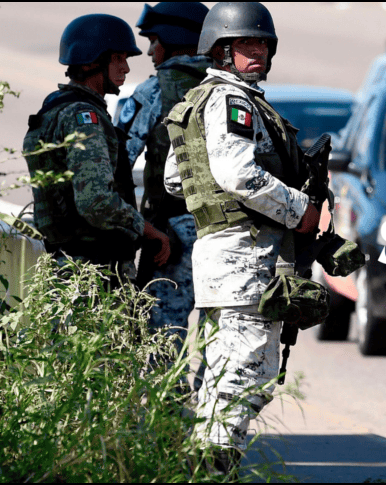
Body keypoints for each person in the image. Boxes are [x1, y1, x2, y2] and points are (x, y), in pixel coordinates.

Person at [163, 2, 320, 471]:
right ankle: (213, 470)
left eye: (261, 44)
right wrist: (300, 211)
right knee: (247, 375)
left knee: (220, 377)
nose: (256, 52)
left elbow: (178, 179)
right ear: (220, 51)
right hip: (246, 259)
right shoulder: (234, 102)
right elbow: (236, 174)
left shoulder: (197, 101)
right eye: (244, 45)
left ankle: (202, 468)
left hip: (221, 259)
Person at [23, 14, 170, 282]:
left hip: (65, 264)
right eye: (118, 58)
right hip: (94, 270)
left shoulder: (54, 108)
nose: (125, 68)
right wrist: (149, 231)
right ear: (92, 61)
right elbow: (96, 201)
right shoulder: (84, 117)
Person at [117, 2, 210, 358]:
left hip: (173, 237)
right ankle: (210, 412)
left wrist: (134, 227)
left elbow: (118, 160)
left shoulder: (155, 91)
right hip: (228, 236)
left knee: (161, 342)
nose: (151, 51)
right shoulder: (232, 91)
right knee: (219, 345)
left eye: (155, 41)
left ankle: (169, 413)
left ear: (173, 40)